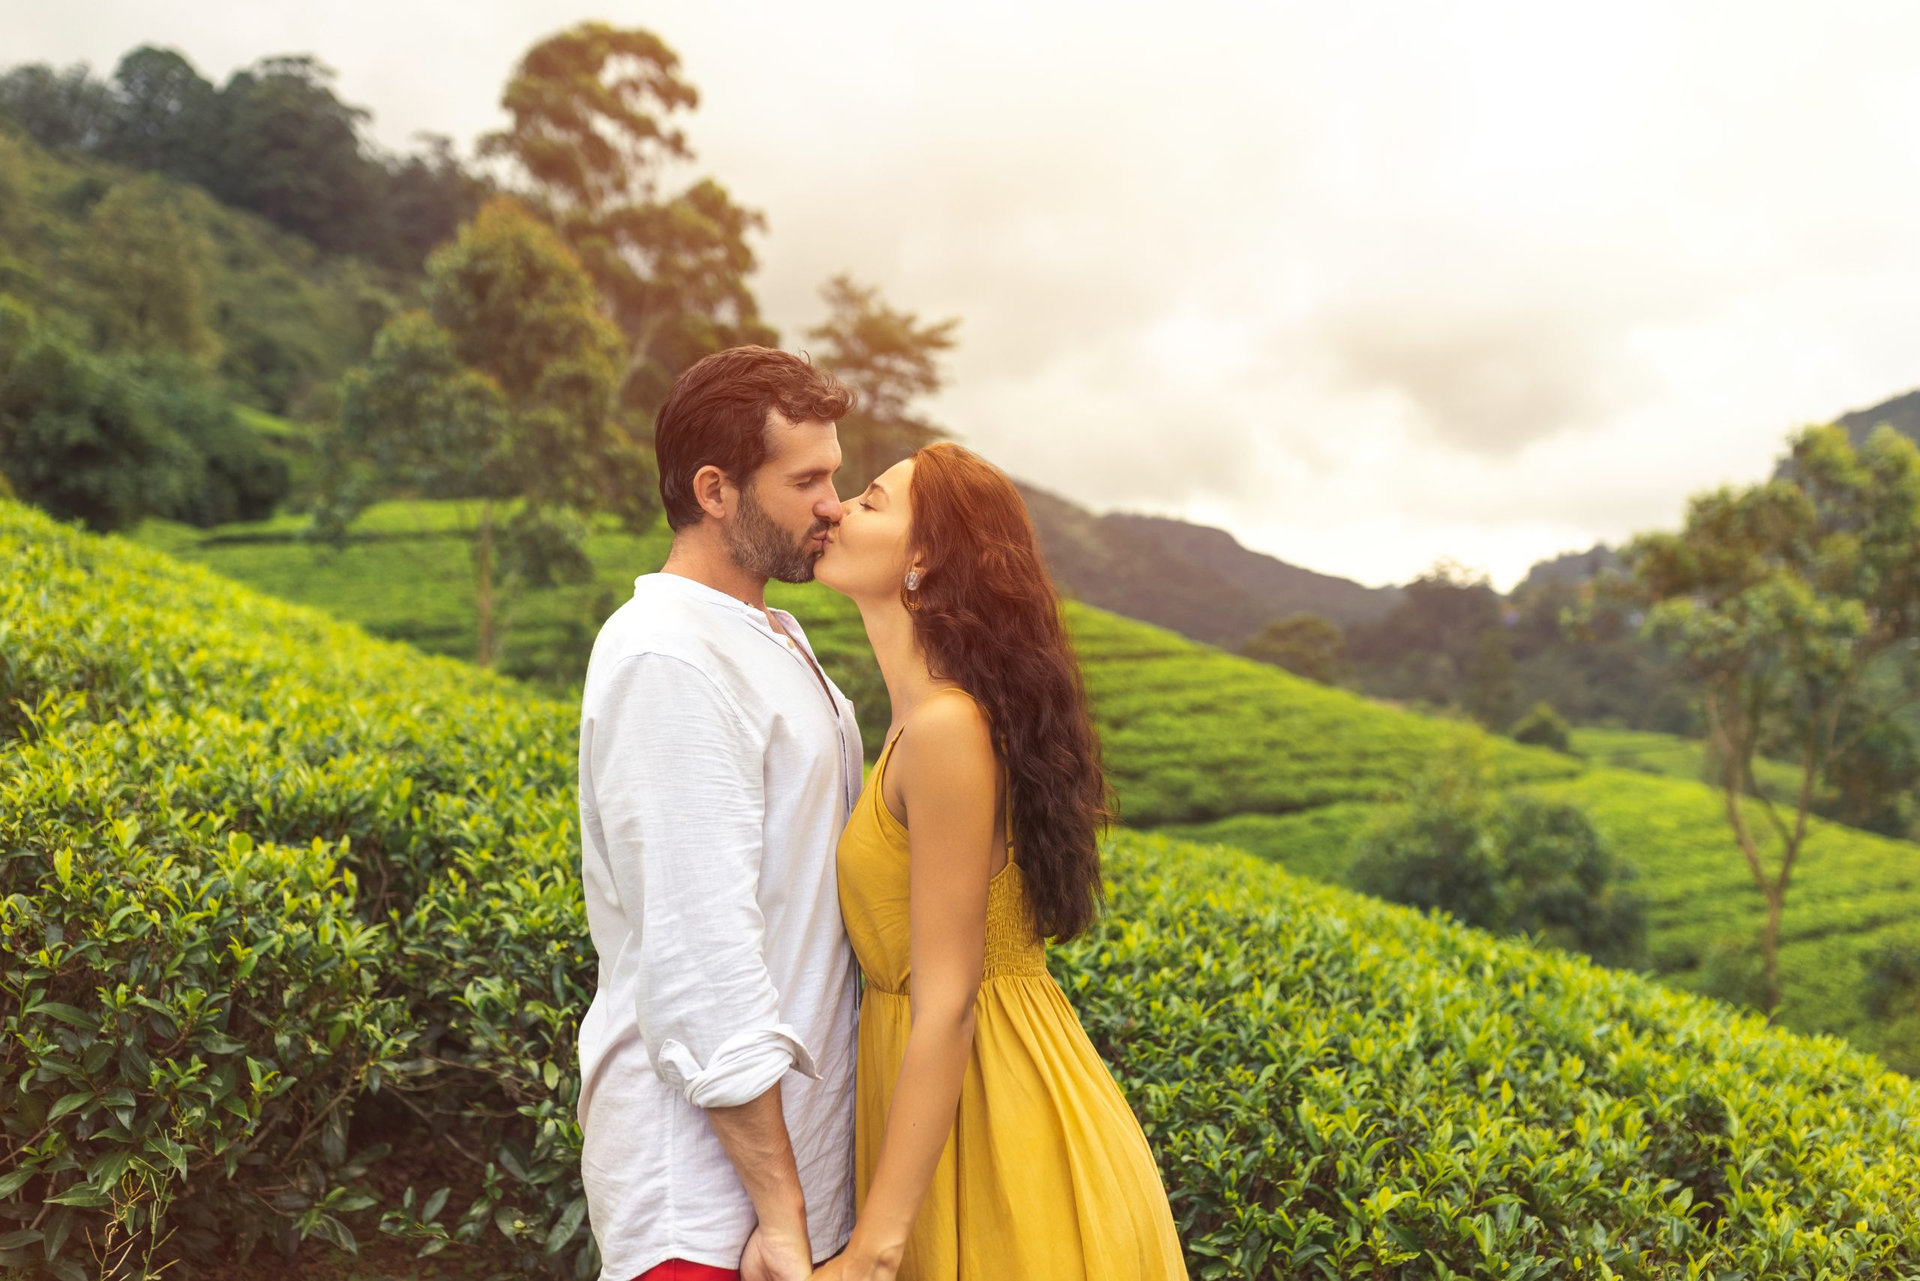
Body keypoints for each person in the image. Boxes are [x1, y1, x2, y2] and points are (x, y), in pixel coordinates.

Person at [805, 442, 1188, 1279]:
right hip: (958, 1110)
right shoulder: (916, 725)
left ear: (925, 557)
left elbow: (948, 1001)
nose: (837, 507)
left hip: (1000, 1125)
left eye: (871, 500)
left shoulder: (946, 729)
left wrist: (871, 1252)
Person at [575, 346, 864, 1281]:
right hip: (705, 1213)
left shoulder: (770, 631)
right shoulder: (669, 655)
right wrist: (781, 1212)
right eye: (806, 480)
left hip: (786, 1193)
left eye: (834, 475)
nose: (833, 504)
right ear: (715, 490)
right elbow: (700, 961)